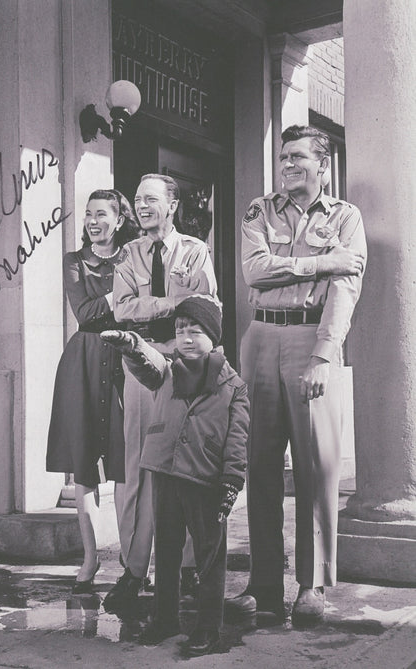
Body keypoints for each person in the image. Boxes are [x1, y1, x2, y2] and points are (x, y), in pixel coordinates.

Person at [230, 125, 367, 626]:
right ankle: (264, 584)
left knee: (315, 466)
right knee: (259, 464)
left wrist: (323, 356)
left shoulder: (345, 217)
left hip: (311, 338)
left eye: (298, 157)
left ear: (323, 166)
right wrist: (322, 261)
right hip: (261, 339)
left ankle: (312, 587)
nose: (287, 164)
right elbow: (254, 270)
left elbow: (344, 291)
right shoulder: (258, 210)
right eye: (283, 156)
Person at [101, 295, 249, 656]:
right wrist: (132, 345)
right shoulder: (168, 371)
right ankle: (164, 617)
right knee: (165, 550)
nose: (185, 338)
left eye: (195, 332)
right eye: (180, 331)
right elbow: (146, 363)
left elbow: (238, 439)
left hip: (206, 479)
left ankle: (208, 627)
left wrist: (231, 482)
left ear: (212, 337)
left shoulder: (233, 386)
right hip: (165, 472)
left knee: (209, 556)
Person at [104, 174, 218, 609]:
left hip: (183, 361)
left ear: (172, 205)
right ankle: (134, 570)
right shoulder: (129, 253)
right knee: (137, 465)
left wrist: (163, 304)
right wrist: (172, 302)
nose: (142, 206)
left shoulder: (195, 250)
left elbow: (207, 306)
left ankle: (188, 568)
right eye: (137, 200)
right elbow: (122, 308)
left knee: (186, 460)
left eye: (151, 199)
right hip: (139, 357)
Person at [46, 188, 140, 594]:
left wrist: (130, 297)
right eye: (88, 215)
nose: (92, 221)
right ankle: (89, 557)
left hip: (124, 359)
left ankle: (132, 559)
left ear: (120, 220)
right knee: (83, 465)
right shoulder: (73, 261)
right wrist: (125, 294)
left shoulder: (134, 255)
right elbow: (83, 313)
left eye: (101, 214)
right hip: (82, 362)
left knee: (124, 463)